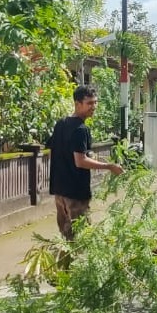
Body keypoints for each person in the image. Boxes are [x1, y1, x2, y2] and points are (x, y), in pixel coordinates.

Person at [46, 86, 123, 240]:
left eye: (95, 103)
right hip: (75, 194)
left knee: (66, 237)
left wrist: (89, 156)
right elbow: (80, 161)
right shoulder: (81, 129)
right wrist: (109, 166)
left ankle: (65, 263)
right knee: (82, 239)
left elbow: (58, 151)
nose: (93, 107)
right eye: (89, 103)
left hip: (60, 191)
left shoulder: (61, 124)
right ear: (77, 103)